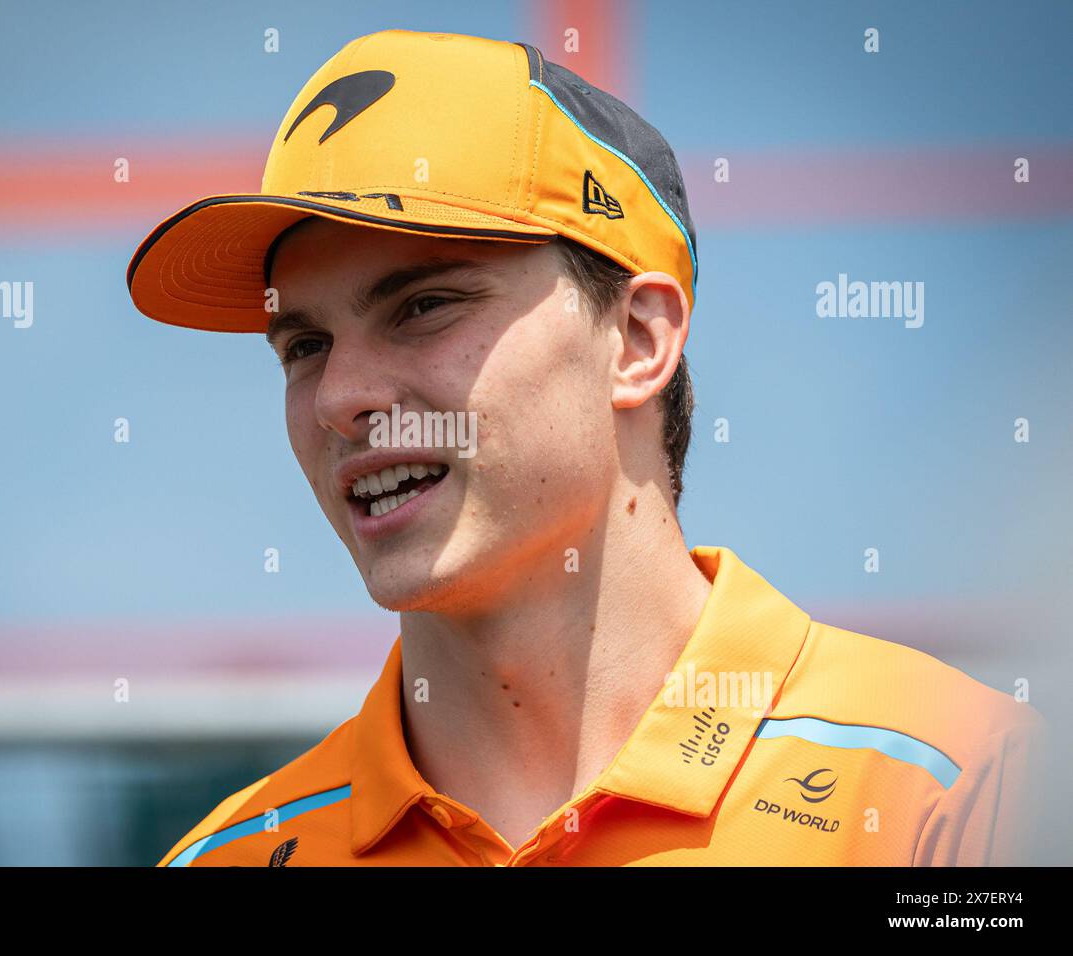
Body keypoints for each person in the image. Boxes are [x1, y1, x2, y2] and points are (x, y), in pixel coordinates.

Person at [127, 29, 1047, 866]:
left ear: (639, 339)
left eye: (424, 306)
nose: (340, 398)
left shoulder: (962, 794)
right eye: (304, 346)